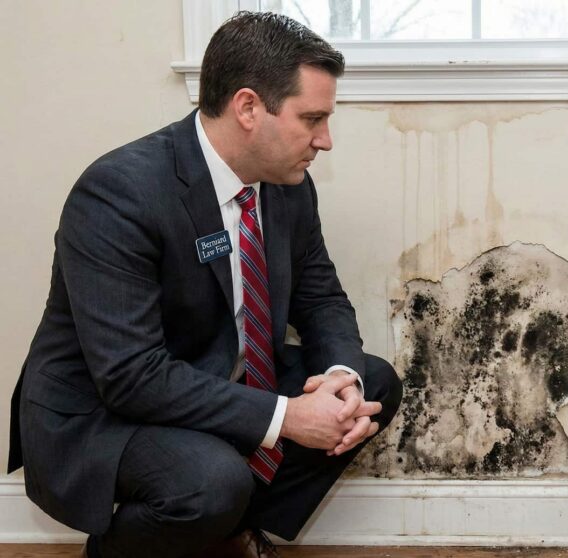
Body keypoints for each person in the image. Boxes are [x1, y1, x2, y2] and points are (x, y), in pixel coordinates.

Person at [6, 11, 403, 558]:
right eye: (312, 118)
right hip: (105, 409)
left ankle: (229, 528)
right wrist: (289, 418)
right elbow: (130, 375)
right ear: (248, 107)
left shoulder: (287, 185)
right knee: (210, 483)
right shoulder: (118, 193)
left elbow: (320, 298)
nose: (325, 140)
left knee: (372, 384)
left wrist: (341, 379)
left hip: (214, 371)